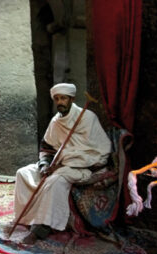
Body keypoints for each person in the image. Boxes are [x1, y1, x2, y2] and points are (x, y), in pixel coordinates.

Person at [14, 83, 112, 243]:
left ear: (71, 99)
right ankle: (27, 218)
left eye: (63, 98)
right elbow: (47, 147)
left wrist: (74, 160)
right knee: (23, 173)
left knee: (55, 181)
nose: (60, 102)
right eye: (57, 99)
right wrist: (45, 166)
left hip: (83, 167)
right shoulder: (55, 122)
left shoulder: (88, 118)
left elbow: (101, 150)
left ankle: (41, 228)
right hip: (57, 164)